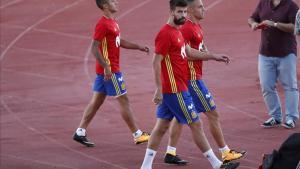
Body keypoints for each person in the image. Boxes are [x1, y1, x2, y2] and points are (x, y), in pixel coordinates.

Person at [141, 0, 239, 169]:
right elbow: (156, 62)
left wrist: (213, 56)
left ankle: (146, 166)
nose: (183, 16)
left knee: (162, 126)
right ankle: (217, 164)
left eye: (185, 12)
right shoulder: (165, 34)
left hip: (178, 87)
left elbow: (187, 51)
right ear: (171, 12)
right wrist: (158, 89)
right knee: (196, 123)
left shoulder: (177, 31)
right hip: (175, 89)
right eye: (180, 12)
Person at [73, 0, 150, 147]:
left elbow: (118, 41)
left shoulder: (113, 22)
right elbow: (94, 48)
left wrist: (138, 47)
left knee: (96, 102)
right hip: (111, 71)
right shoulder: (103, 24)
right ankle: (137, 134)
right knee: (124, 100)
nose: (117, 2)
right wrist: (107, 66)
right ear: (105, 5)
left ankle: (80, 131)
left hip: (106, 71)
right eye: (113, 1)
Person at [248, 0, 299, 129]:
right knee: (266, 86)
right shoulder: (263, 3)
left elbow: (295, 27)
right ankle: (275, 117)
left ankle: (291, 118)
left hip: (286, 52)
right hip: (265, 52)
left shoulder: (291, 6)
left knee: (290, 86)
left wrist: (275, 24)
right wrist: (253, 24)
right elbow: (252, 18)